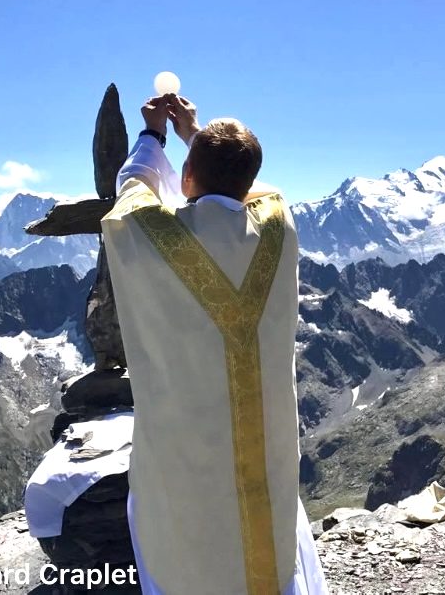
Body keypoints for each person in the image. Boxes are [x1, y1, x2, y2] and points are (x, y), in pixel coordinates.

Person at [101, 94, 328, 594]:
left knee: (187, 556)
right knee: (265, 546)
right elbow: (256, 186)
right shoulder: (278, 229)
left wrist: (153, 134)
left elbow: (131, 189)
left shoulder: (157, 239)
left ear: (185, 178)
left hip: (187, 458)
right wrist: (195, 135)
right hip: (264, 451)